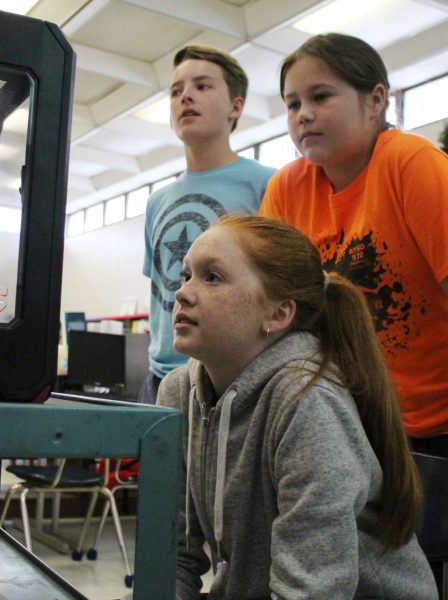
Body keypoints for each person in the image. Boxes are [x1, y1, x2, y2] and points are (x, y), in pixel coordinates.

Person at [158, 214, 437, 599]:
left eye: (212, 277)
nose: (183, 293)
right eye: (186, 275)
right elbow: (171, 560)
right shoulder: (177, 392)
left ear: (278, 314)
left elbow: (314, 591)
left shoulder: (307, 401)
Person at [259, 33, 448, 456]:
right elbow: (270, 308)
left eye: (321, 96)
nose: (304, 115)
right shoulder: (286, 188)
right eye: (292, 104)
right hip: (356, 416)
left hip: (437, 420)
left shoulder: (411, 164)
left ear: (375, 100)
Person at [140, 45, 276, 405]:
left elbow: (278, 284)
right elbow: (161, 289)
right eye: (176, 91)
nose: (185, 96)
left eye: (202, 86)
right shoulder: (156, 202)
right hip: (160, 379)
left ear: (236, 106)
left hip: (233, 378)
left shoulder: (267, 185)